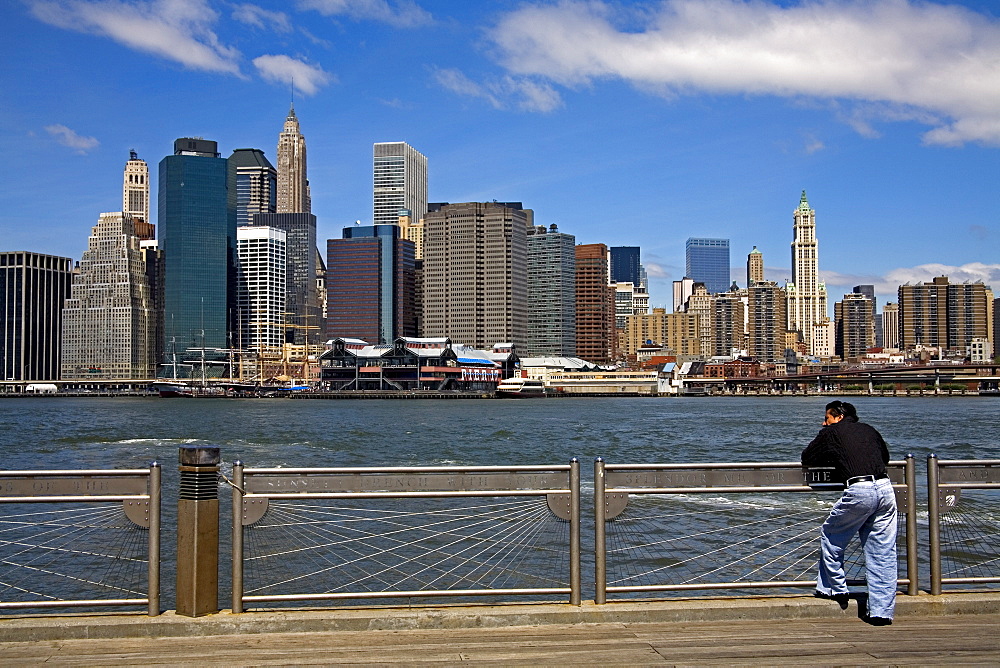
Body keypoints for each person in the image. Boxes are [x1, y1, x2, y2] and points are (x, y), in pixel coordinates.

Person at [801, 400, 897, 626]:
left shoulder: (831, 432)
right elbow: (885, 458)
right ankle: (881, 613)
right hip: (885, 489)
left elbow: (808, 458)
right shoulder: (869, 429)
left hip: (859, 490)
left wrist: (829, 446)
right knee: (882, 551)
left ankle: (836, 589)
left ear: (838, 417)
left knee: (832, 536)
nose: (824, 422)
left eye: (827, 418)